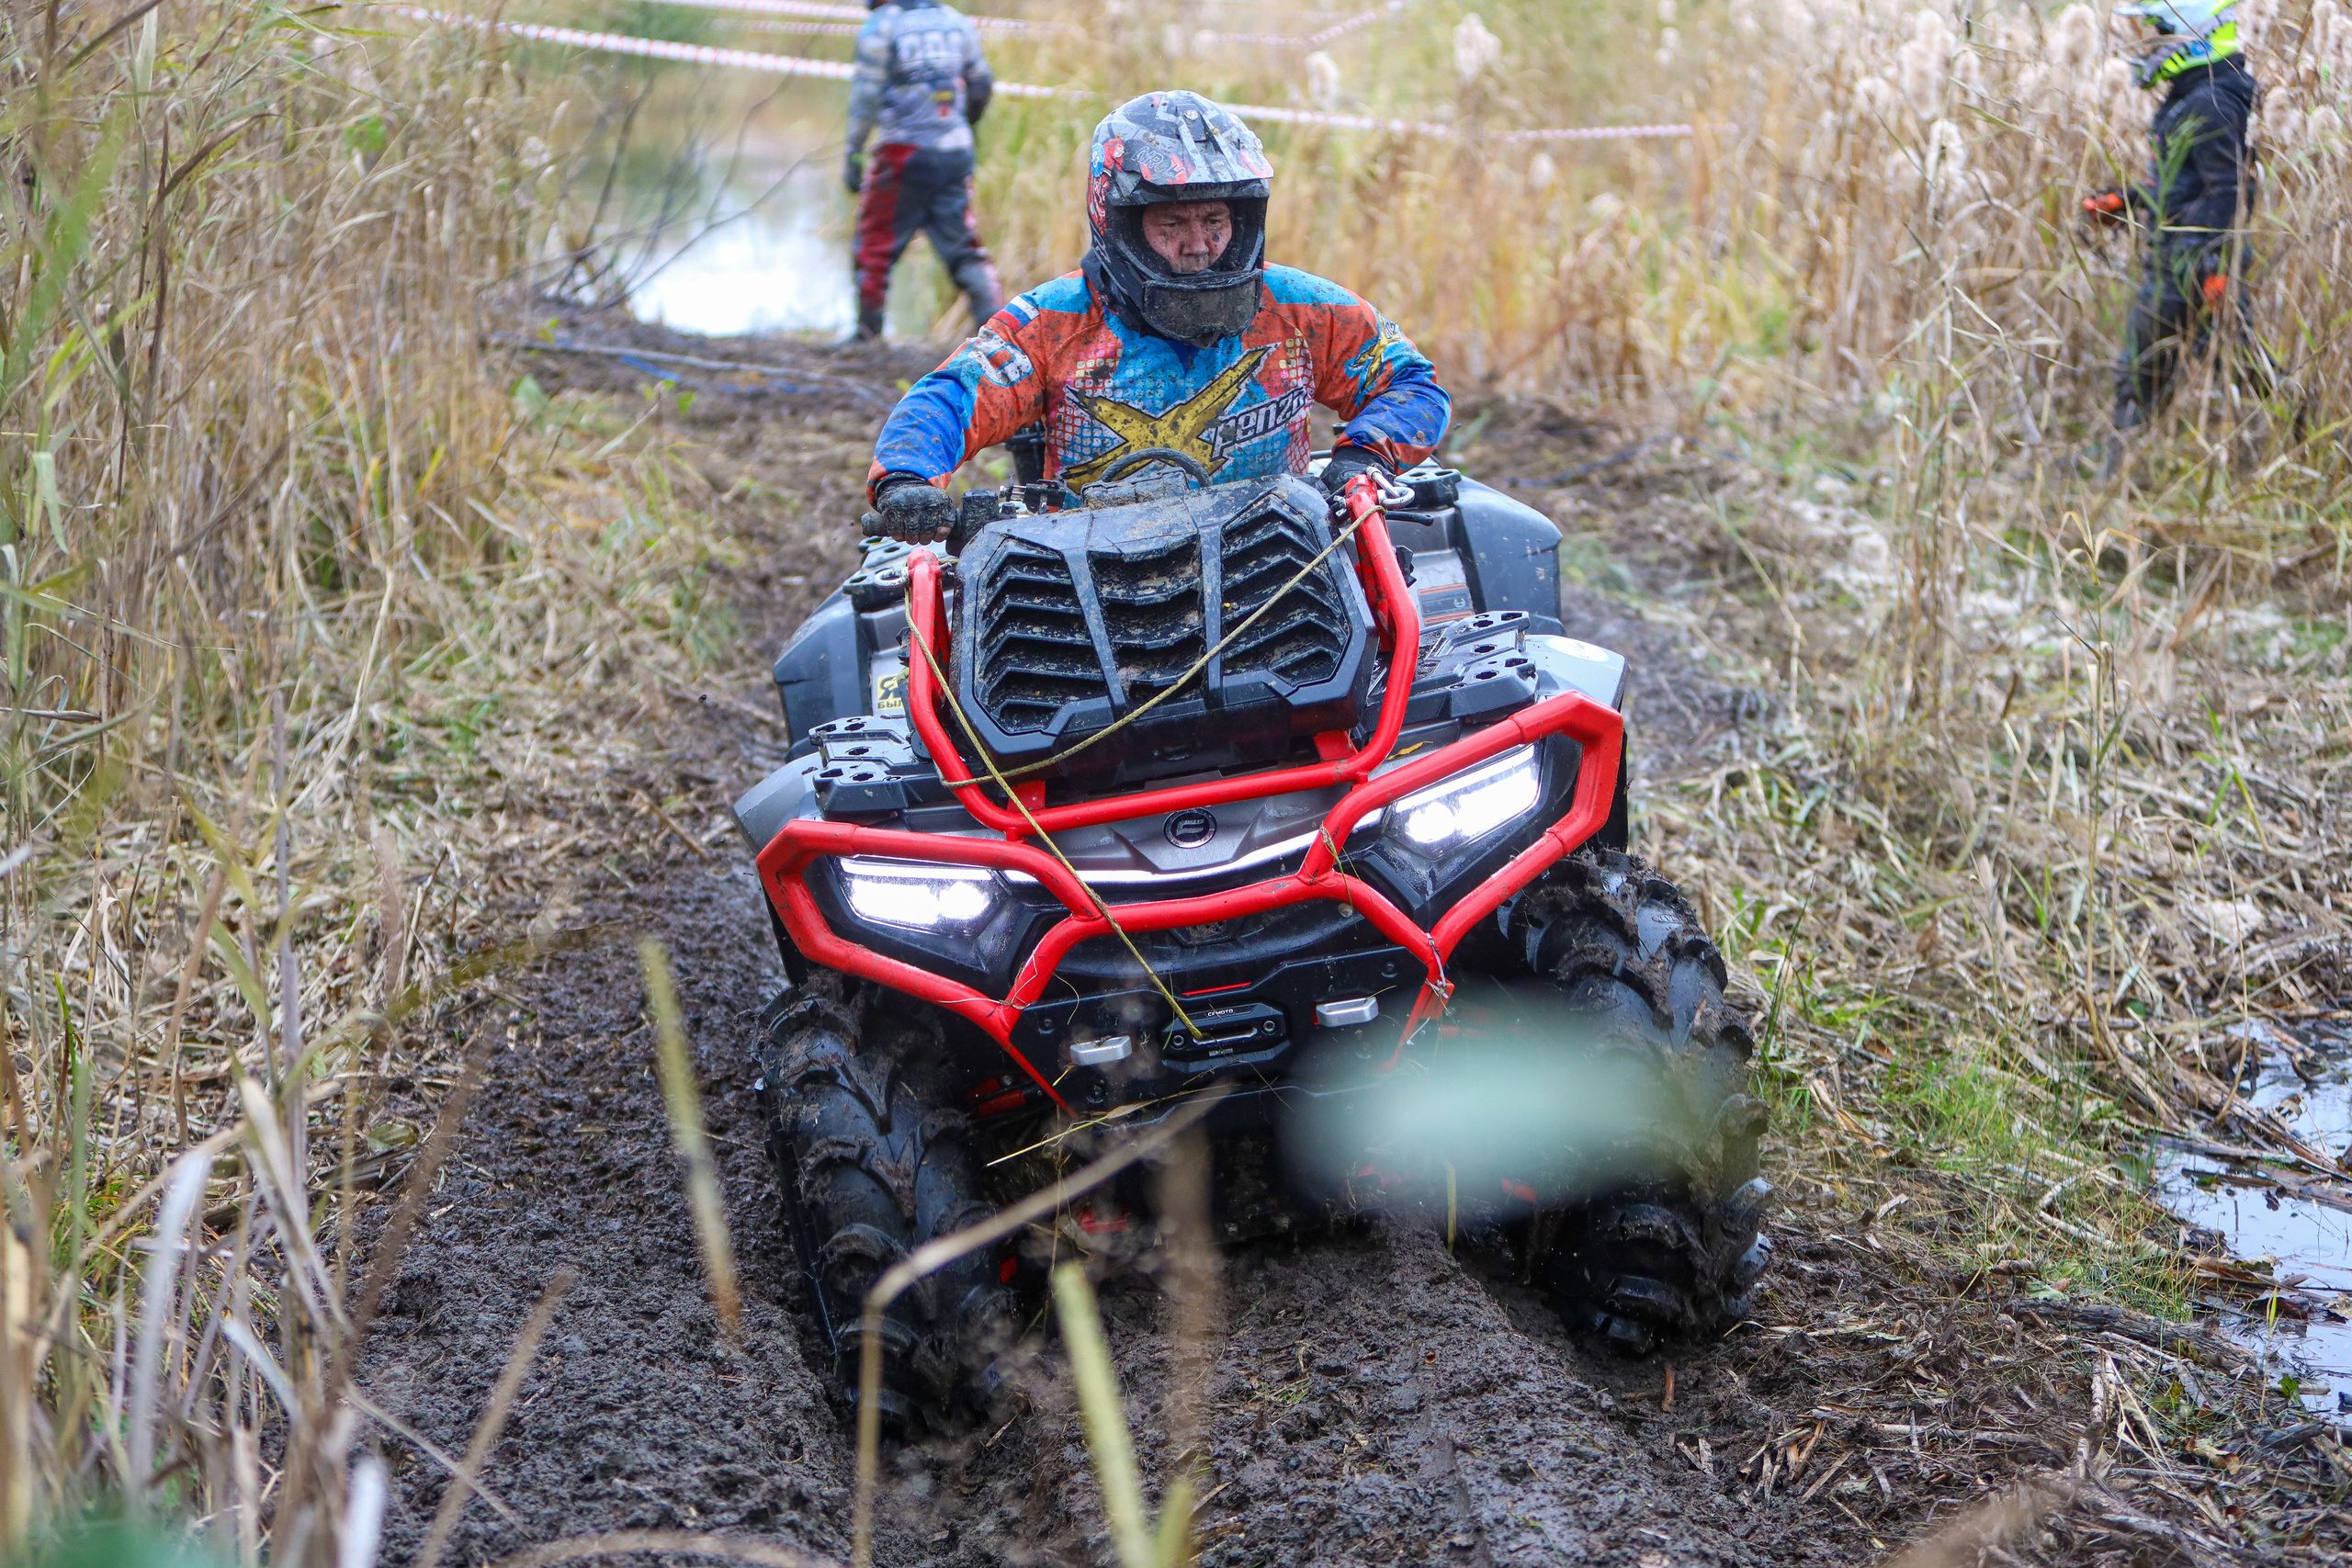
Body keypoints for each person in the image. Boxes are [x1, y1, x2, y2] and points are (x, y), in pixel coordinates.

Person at [860, 90, 1450, 538]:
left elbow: (1410, 381)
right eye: (1172, 225)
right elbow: (952, 396)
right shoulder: (1052, 323)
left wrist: (1364, 456)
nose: (1198, 245)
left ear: (1242, 221)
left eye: (1215, 223)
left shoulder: (1301, 308)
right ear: (1119, 222)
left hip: (1280, 556)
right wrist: (908, 477)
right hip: (1093, 567)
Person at [2083, 0, 2257, 446]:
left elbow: (2229, 191)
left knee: (2206, 363)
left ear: (2194, 33)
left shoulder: (2212, 100)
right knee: (2214, 360)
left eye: (2158, 30)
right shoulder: (2192, 93)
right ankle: (2124, 460)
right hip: (2181, 254)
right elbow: (2184, 182)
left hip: (2192, 263)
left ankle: (2117, 472)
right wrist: (2124, 199)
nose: (2149, 41)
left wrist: (2216, 266)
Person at [844, 0, 1002, 343]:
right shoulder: (953, 20)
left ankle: (865, 339)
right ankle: (999, 342)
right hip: (955, 151)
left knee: (874, 244)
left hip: (903, 153)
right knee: (964, 249)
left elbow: (866, 95)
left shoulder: (882, 25)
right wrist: (964, 126)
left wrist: (852, 151)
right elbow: (981, 84)